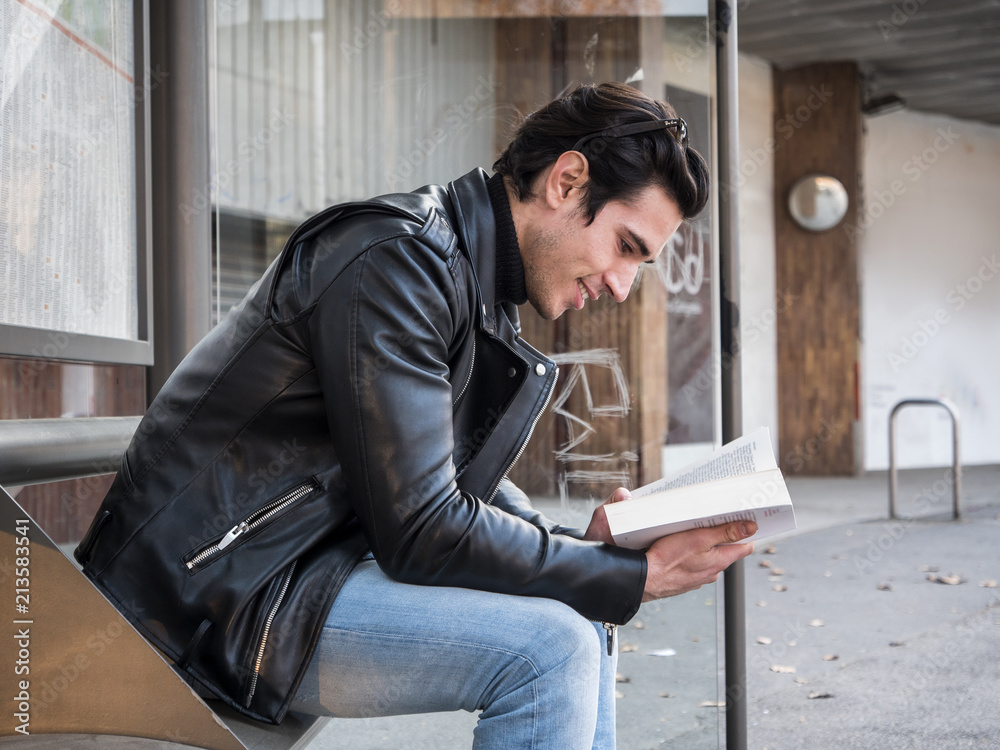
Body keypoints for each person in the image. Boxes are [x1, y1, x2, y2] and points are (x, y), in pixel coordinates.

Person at [74, 82, 755, 748]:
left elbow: (451, 485)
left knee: (578, 615)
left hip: (297, 575)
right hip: (204, 602)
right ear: (568, 181)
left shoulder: (468, 282)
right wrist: (622, 576)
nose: (621, 284)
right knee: (553, 650)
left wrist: (586, 550)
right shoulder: (396, 261)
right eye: (627, 247)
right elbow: (426, 529)